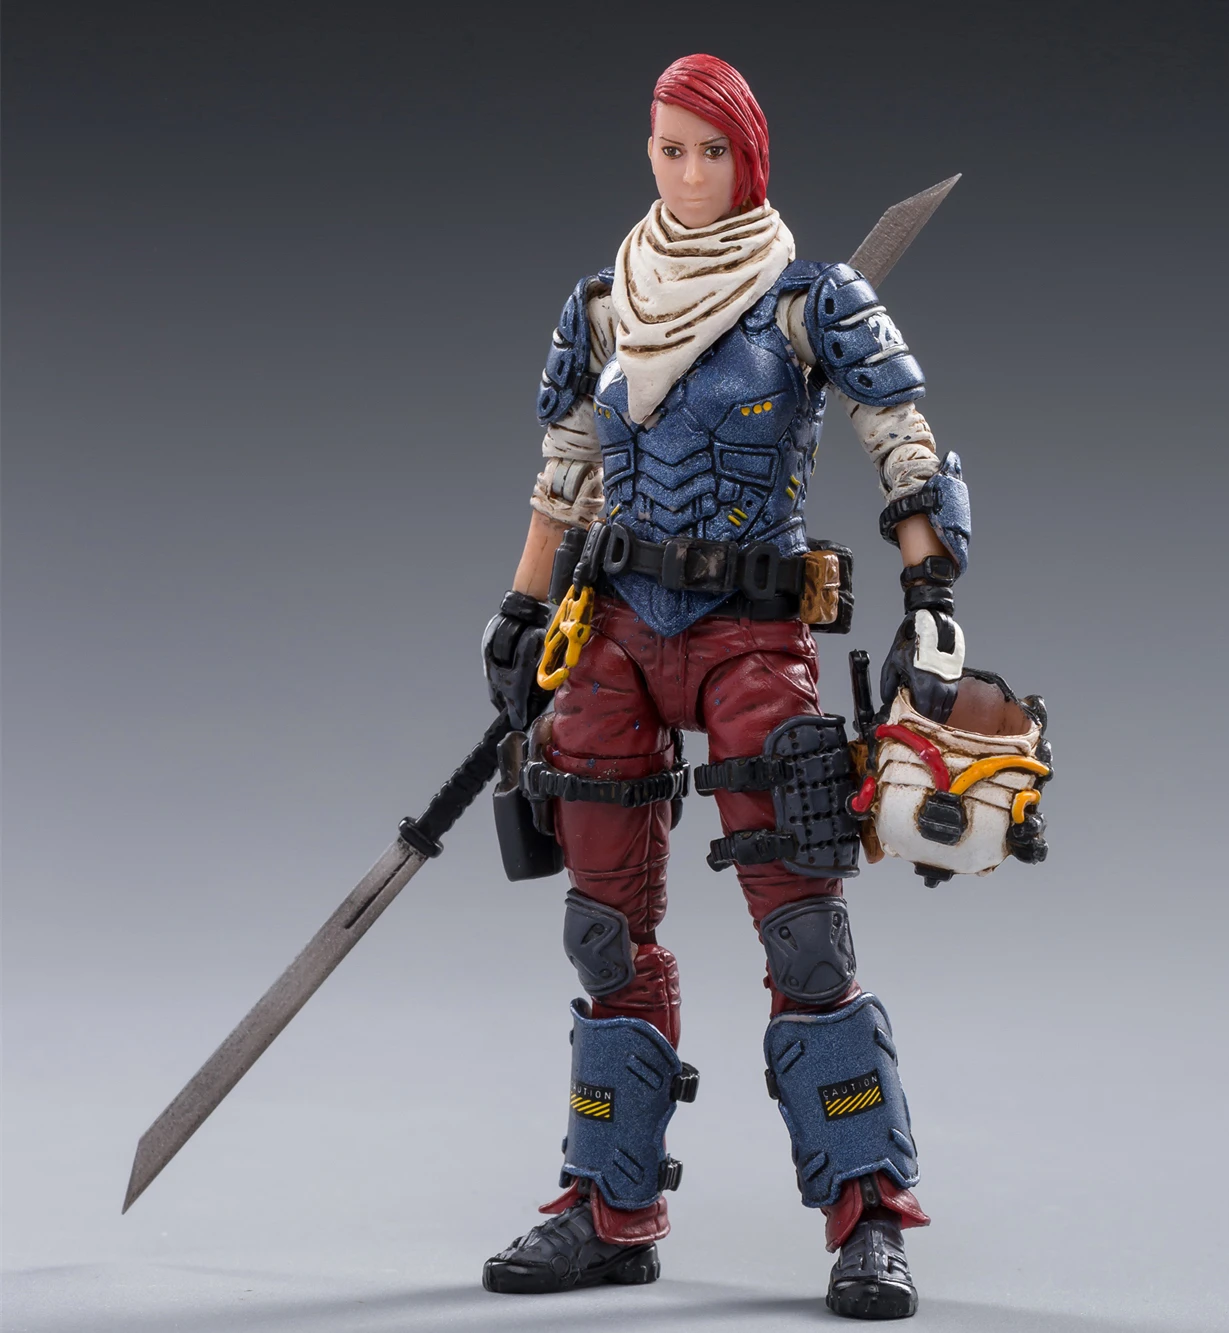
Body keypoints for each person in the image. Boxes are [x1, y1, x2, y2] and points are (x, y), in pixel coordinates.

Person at [480, 53, 972, 1321]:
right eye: (669, 148)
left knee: (804, 929)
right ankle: (606, 1205)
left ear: (748, 159)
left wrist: (929, 593)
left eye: (711, 151)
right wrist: (521, 612)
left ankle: (867, 1212)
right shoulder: (606, 301)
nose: (689, 172)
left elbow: (902, 439)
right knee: (602, 929)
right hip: (615, 632)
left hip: (752, 635)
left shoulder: (806, 298)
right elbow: (564, 468)